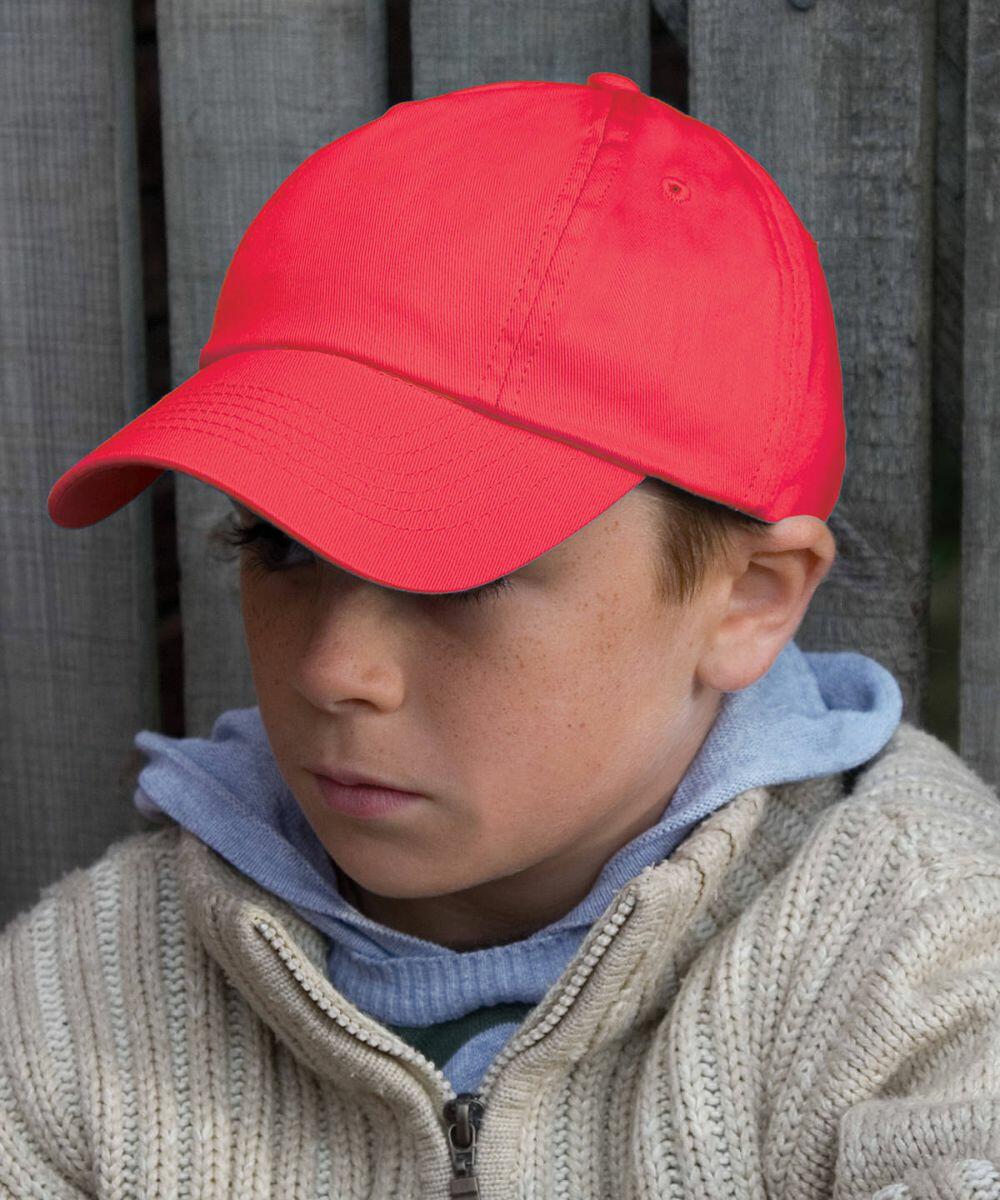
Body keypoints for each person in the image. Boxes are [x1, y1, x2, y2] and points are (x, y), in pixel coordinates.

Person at [5, 71, 999, 1198]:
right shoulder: (87, 994)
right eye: (280, 546)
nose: (335, 669)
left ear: (749, 600)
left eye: (460, 572)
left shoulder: (926, 968)